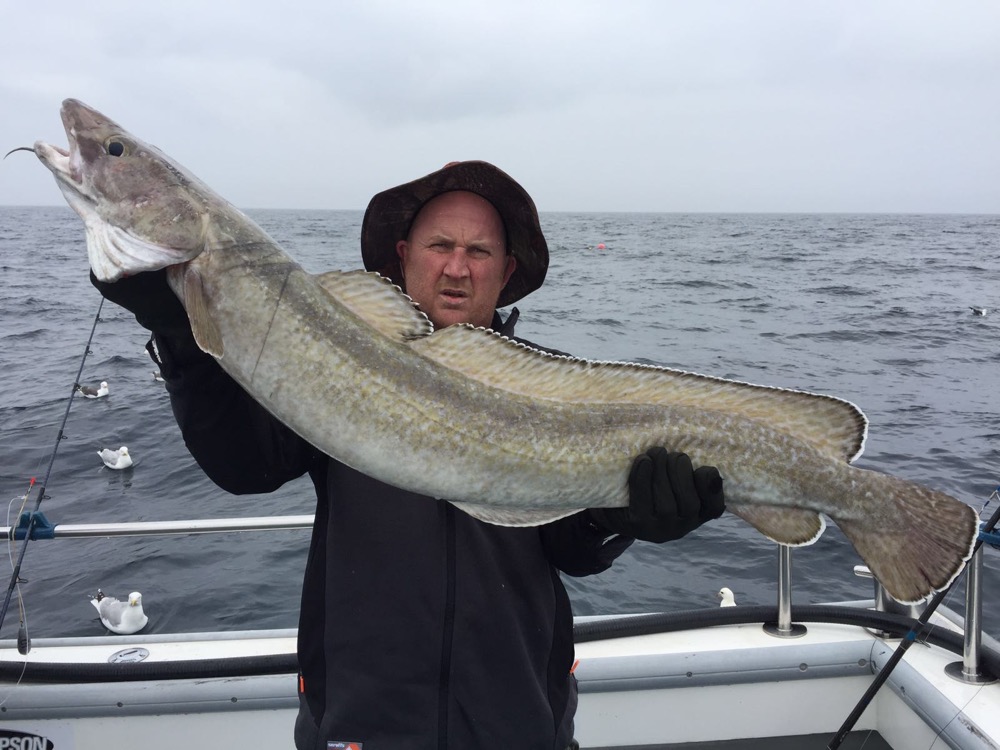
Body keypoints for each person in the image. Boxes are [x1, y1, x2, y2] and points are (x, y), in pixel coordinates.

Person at [93, 161, 726, 750]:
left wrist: (624, 517)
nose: (457, 268)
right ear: (403, 258)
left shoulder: (556, 389)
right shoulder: (332, 367)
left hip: (520, 723)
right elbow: (241, 467)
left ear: (506, 272)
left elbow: (573, 551)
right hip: (358, 727)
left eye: (479, 252)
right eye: (439, 246)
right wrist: (180, 341)